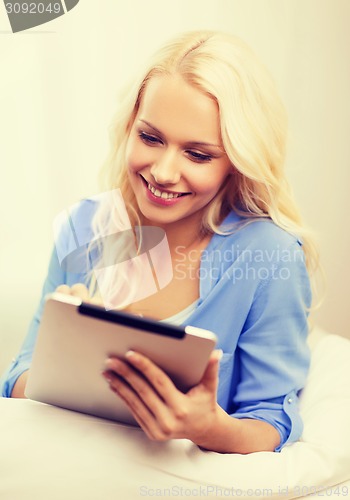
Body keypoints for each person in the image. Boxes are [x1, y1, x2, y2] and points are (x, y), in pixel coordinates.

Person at [0, 30, 318, 454]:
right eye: (150, 138)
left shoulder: (269, 256)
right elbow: (16, 379)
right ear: (129, 128)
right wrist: (65, 351)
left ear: (237, 164)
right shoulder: (85, 225)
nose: (164, 172)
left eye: (198, 155)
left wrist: (208, 428)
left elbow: (271, 418)